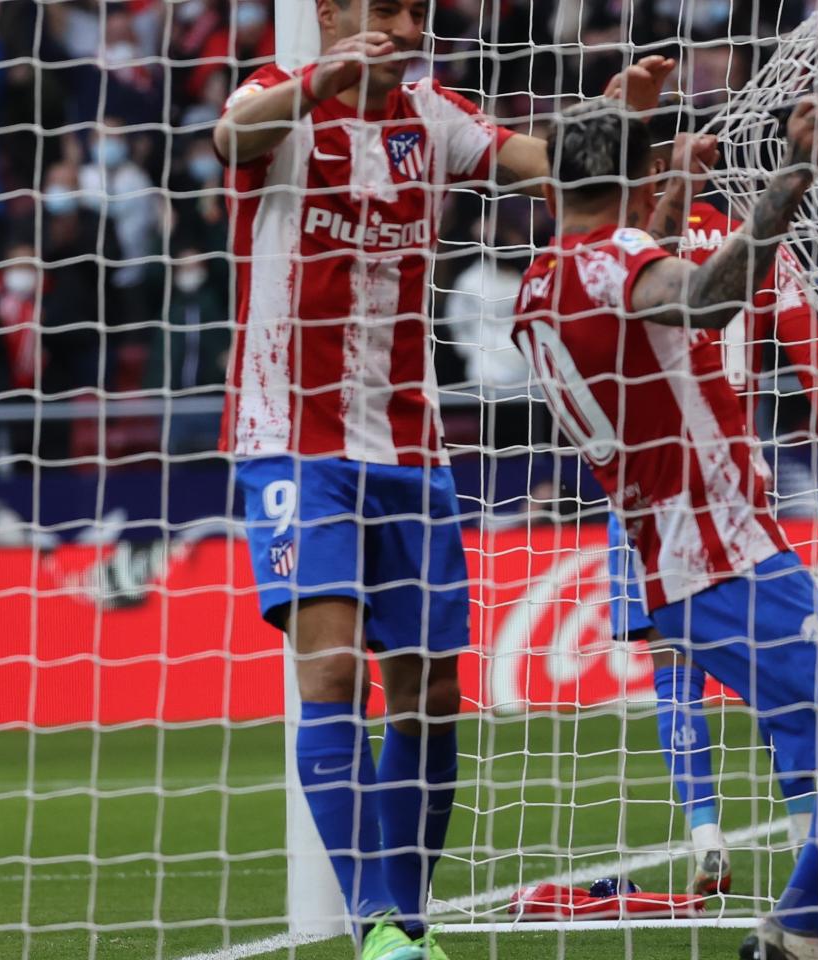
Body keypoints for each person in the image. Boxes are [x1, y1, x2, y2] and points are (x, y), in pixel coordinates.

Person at [209, 3, 674, 957]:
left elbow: (551, 167)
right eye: (380, 7)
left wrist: (614, 122)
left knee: (426, 693)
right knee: (334, 669)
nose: (402, 23)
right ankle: (375, 925)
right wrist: (328, 75)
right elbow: (229, 135)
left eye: (413, 10)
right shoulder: (277, 97)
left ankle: (406, 925)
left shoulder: (437, 115)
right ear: (330, 14)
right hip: (293, 435)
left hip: (412, 442)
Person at [512, 100, 818, 960]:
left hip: (714, 551)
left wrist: (666, 196)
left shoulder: (542, 279)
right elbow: (702, 300)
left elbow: (635, 296)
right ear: (638, 179)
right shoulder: (622, 265)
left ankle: (794, 930)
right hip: (719, 562)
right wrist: (794, 173)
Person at [608, 181, 818, 894]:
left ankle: (705, 831)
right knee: (782, 666)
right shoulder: (758, 244)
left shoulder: (624, 253)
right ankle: (808, 837)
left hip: (649, 485)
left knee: (673, 665)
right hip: (738, 479)